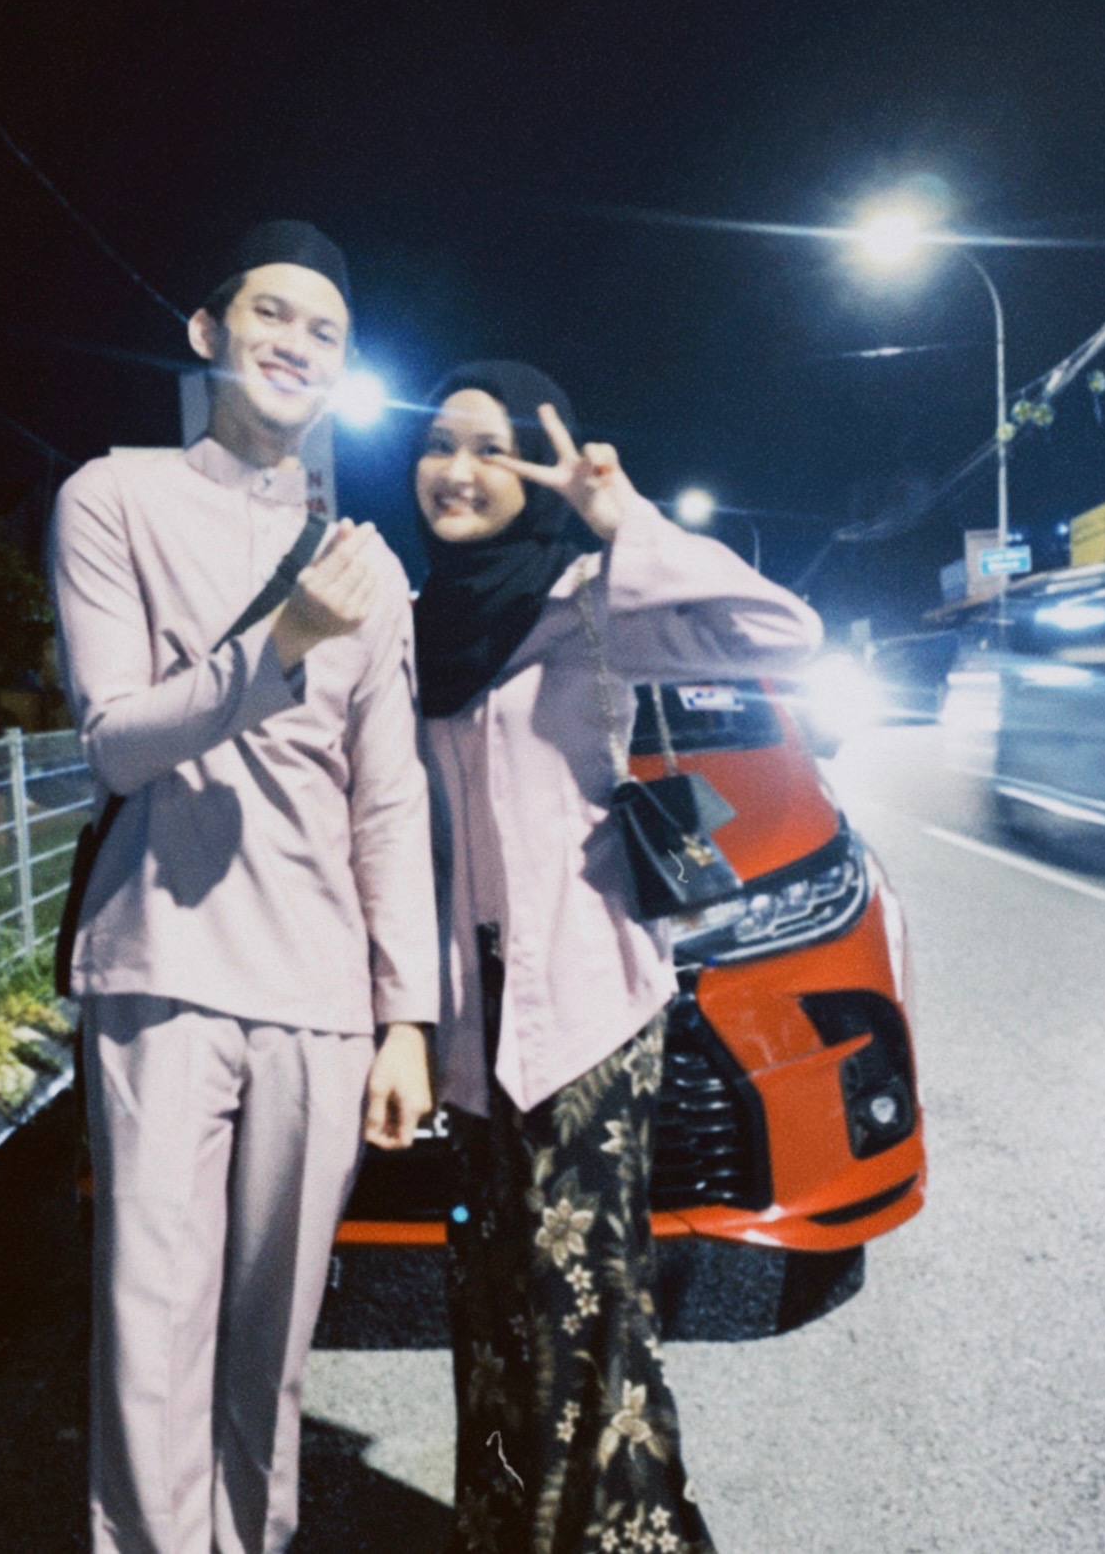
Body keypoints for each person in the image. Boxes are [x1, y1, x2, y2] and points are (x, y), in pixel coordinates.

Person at [50, 220, 438, 1554]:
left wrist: (405, 1016)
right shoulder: (113, 497)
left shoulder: (365, 566)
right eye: (270, 314)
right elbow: (115, 741)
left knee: (273, 1343)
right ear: (207, 332)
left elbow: (386, 799)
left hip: (320, 995)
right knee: (151, 1326)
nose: (295, 344)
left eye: (325, 331)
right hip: (162, 965)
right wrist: (285, 640)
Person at [412, 361, 823, 1554]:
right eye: (439, 444)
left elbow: (783, 636)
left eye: (491, 448)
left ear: (532, 473)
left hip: (586, 1004)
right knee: (492, 1300)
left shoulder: (589, 599)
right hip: (466, 1019)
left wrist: (619, 516)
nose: (458, 470)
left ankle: (621, 1536)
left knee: (584, 1305)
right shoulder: (408, 623)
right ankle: (502, 1525)